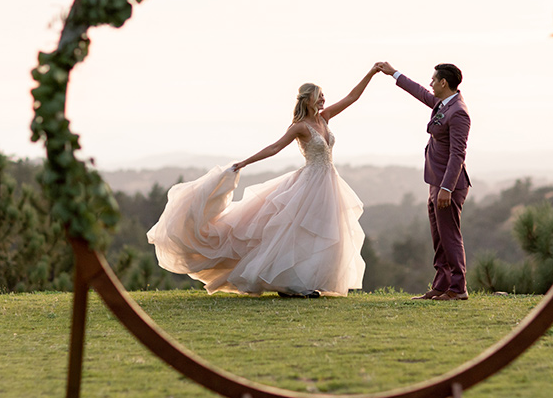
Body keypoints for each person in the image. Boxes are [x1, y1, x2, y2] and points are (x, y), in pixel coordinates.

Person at [146, 66, 380, 297]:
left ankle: (306, 281)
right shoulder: (300, 127)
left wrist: (371, 73)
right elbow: (275, 147)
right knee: (295, 233)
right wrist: (245, 162)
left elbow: (352, 97)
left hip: (329, 183)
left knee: (322, 233)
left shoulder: (325, 118)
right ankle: (292, 285)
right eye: (319, 97)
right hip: (310, 183)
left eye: (323, 97)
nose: (323, 100)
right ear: (308, 100)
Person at [375, 61, 471, 300]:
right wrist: (393, 73)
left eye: (433, 79)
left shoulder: (458, 112)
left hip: (449, 185)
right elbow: (419, 91)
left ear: (443, 82)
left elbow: (458, 154)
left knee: (450, 236)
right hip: (435, 182)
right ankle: (441, 286)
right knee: (438, 237)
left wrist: (447, 188)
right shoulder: (442, 103)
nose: (430, 83)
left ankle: (458, 289)